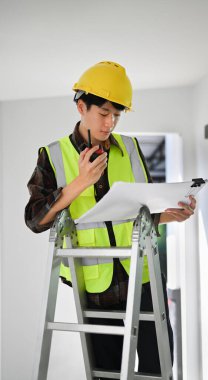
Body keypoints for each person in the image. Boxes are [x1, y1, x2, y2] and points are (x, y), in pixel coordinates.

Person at [25, 61, 196, 377]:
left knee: (159, 368)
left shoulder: (129, 148)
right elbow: (36, 220)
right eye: (104, 113)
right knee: (107, 374)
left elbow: (140, 209)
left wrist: (169, 214)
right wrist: (80, 183)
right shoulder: (52, 155)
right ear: (81, 106)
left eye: (117, 115)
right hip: (96, 290)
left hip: (142, 278)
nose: (110, 123)